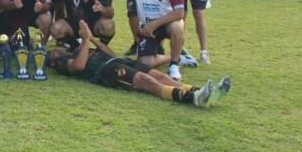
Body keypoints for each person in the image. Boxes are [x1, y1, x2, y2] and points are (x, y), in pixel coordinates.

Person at [45, 21, 229, 108]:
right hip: (106, 72)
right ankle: (191, 98)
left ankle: (199, 91)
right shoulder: (63, 63)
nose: (56, 49)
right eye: (52, 52)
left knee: (159, 75)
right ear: (53, 62)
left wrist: (92, 39)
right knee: (143, 80)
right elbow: (78, 66)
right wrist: (85, 40)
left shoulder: (77, 48)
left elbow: (110, 53)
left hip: (117, 60)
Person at [102, 0, 187, 81]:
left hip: (166, 23)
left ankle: (174, 65)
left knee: (177, 27)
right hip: (147, 28)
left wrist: (154, 24)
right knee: (144, 64)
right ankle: (175, 56)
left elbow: (179, 13)